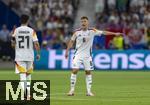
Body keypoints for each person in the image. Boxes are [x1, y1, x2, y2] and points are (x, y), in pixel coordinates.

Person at [65, 16, 121, 96]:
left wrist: (115, 33)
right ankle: (71, 90)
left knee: (88, 72)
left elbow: (103, 32)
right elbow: (71, 41)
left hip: (88, 56)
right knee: (74, 70)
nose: (83, 23)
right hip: (78, 55)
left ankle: (88, 92)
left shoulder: (92, 31)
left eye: (85, 21)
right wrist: (67, 51)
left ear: (87, 23)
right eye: (82, 21)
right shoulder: (77, 32)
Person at [11, 14, 40, 100]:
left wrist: (16, 47)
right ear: (28, 21)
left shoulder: (16, 30)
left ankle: (26, 94)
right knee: (28, 75)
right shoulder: (32, 31)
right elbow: (36, 43)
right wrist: (38, 53)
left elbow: (12, 44)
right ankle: (28, 93)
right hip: (29, 56)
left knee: (22, 75)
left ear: (20, 20)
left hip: (19, 56)